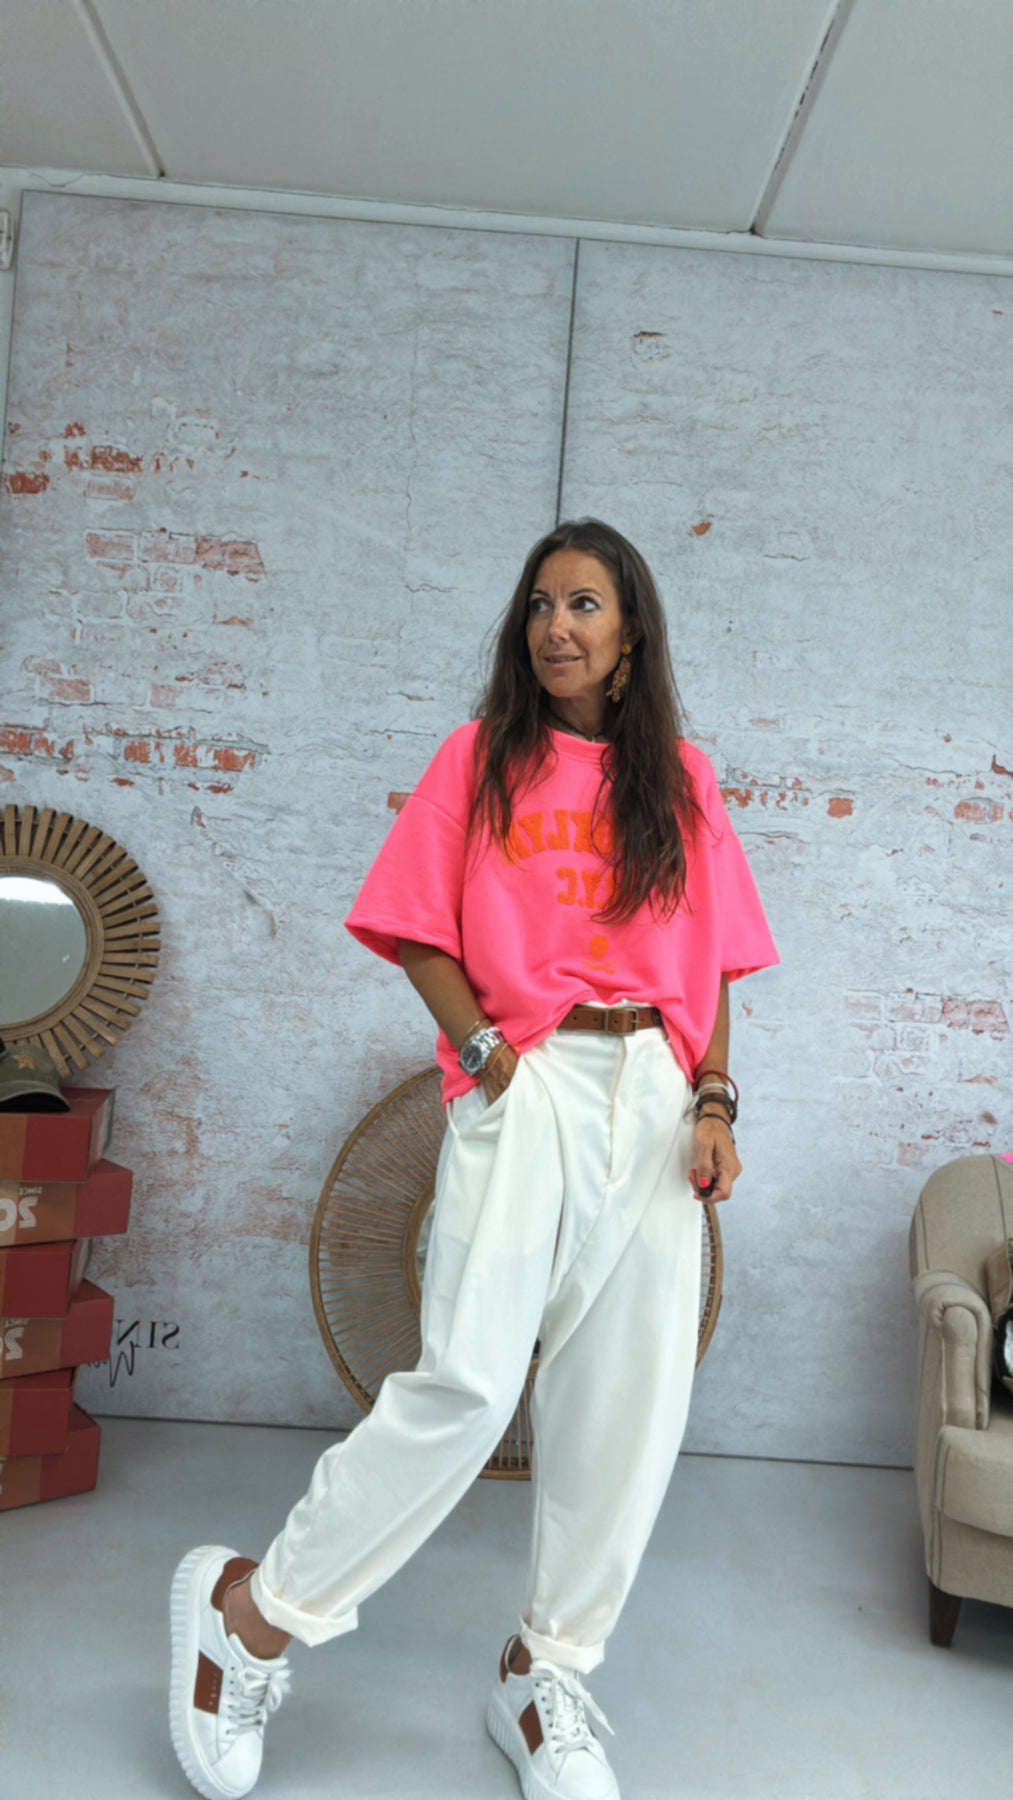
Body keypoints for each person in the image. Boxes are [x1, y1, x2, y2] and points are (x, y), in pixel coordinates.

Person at [169, 518, 778, 1800]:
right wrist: (489, 1055)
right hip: (531, 1074)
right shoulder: (479, 758)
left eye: (583, 605)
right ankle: (249, 1616)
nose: (555, 626)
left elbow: (715, 957)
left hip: (655, 1095)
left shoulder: (682, 779)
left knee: (627, 1400)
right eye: (539, 605)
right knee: (466, 1386)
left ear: (630, 633)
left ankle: (543, 1670)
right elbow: (411, 926)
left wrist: (713, 1101)